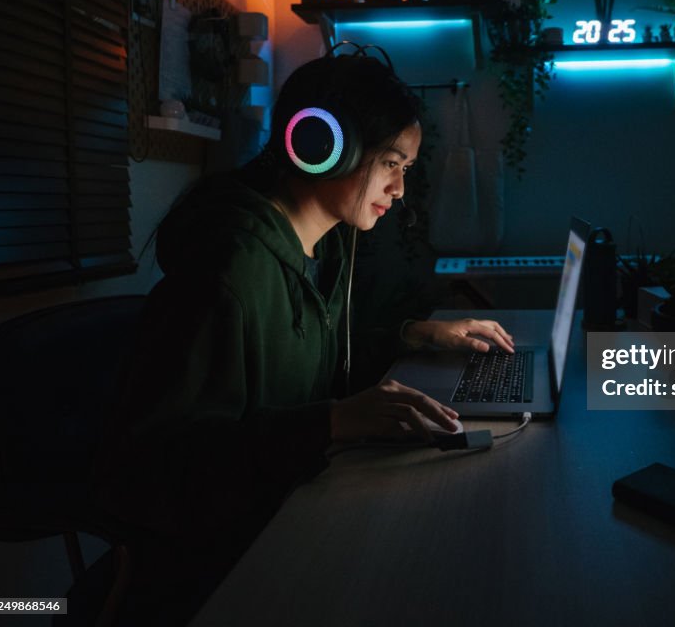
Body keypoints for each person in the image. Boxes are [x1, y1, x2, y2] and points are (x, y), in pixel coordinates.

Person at [93, 53, 513, 624]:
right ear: (319, 144)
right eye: (391, 162)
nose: (399, 188)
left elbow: (310, 370)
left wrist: (414, 335)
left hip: (290, 506)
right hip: (220, 568)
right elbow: (154, 468)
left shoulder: (324, 247)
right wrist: (331, 422)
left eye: (407, 167)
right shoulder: (229, 268)